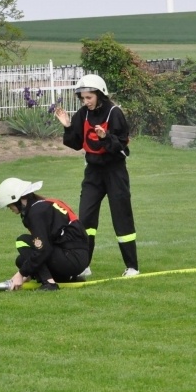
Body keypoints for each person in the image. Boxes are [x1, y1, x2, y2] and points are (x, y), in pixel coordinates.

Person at [53, 74, 140, 278]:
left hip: (115, 173)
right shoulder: (82, 114)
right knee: (86, 220)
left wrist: (105, 137)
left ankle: (132, 267)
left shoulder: (114, 113)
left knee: (122, 218)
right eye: (83, 98)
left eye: (89, 98)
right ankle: (84, 266)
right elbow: (75, 143)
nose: (86, 102)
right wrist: (67, 126)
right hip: (93, 174)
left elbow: (122, 150)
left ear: (100, 94)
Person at [0, 177, 89, 291]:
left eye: (10, 205)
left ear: (18, 199)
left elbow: (43, 249)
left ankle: (49, 283)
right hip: (77, 258)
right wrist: (27, 274)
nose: (9, 208)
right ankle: (65, 278)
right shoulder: (43, 205)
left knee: (22, 241)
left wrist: (20, 274)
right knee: (21, 260)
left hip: (71, 259)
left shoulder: (36, 212)